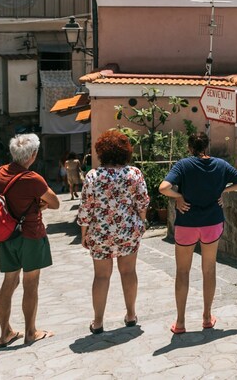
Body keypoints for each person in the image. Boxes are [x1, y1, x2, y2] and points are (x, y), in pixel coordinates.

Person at [159, 132, 237, 334]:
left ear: (190, 148)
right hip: (212, 223)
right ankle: (207, 317)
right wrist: (222, 191)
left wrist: (179, 196)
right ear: (207, 147)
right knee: (209, 270)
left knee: (182, 272)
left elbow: (164, 187)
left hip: (187, 224)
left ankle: (181, 322)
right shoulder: (220, 165)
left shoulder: (183, 165)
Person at [77, 130, 150, 334]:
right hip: (128, 230)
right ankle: (131, 314)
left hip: (100, 232)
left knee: (101, 276)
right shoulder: (134, 173)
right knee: (128, 272)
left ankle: (98, 321)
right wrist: (141, 223)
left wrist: (84, 234)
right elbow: (143, 202)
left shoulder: (93, 176)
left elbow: (86, 208)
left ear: (101, 152)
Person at [0, 133, 60, 348]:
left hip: (8, 236)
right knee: (30, 284)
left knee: (9, 282)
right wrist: (39, 203)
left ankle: (5, 332)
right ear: (32, 155)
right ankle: (31, 332)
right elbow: (55, 202)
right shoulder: (32, 178)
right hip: (30, 235)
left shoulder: (0, 172)